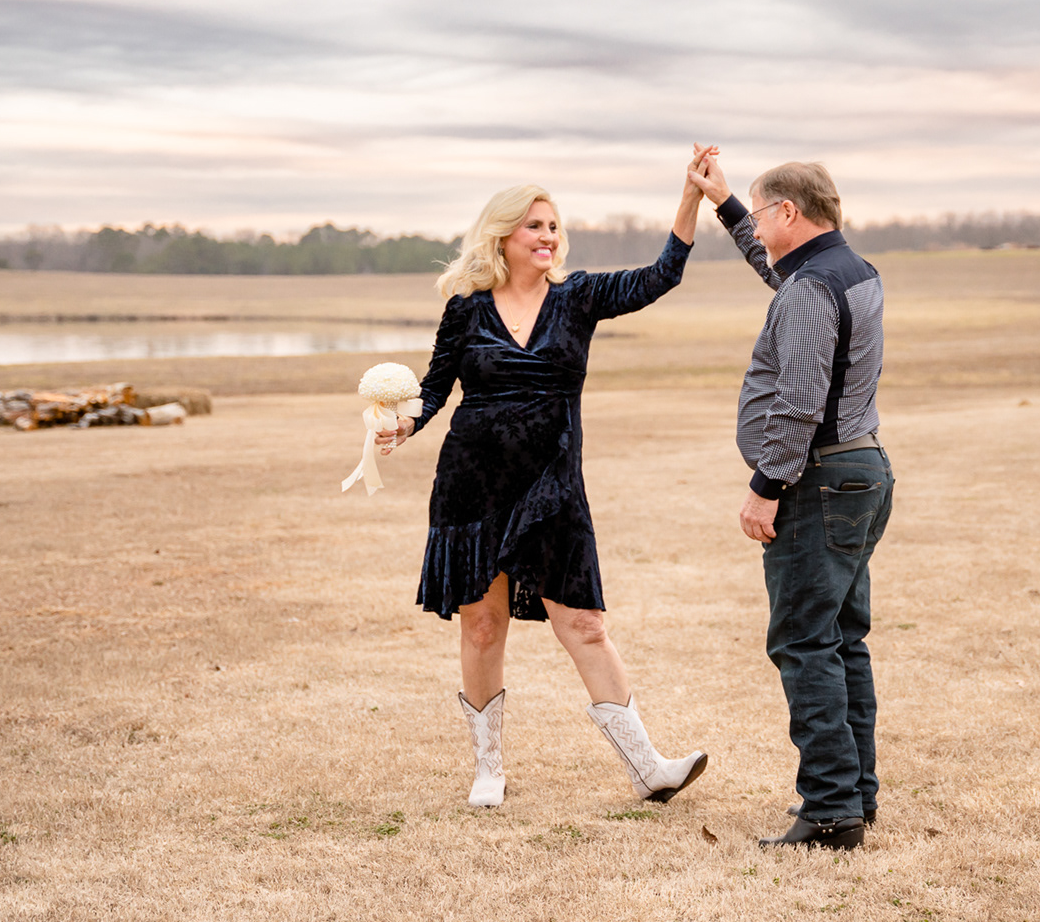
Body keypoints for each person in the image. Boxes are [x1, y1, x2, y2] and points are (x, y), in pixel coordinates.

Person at [375, 174, 709, 810]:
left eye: (554, 226)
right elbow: (437, 386)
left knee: (584, 623)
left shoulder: (579, 298)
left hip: (553, 487)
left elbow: (661, 275)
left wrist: (692, 200)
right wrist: (405, 423)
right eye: (535, 226)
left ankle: (648, 769)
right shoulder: (466, 308)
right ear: (504, 235)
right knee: (481, 626)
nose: (548, 237)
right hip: (472, 485)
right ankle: (488, 768)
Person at [686, 147, 892, 851]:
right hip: (861, 472)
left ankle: (830, 813)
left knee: (805, 643)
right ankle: (855, 798)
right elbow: (777, 268)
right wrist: (723, 203)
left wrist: (765, 488)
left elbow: (800, 402)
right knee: (841, 641)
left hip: (818, 483)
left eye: (760, 208)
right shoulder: (848, 271)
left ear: (789, 211)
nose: (761, 228)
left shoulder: (809, 290)